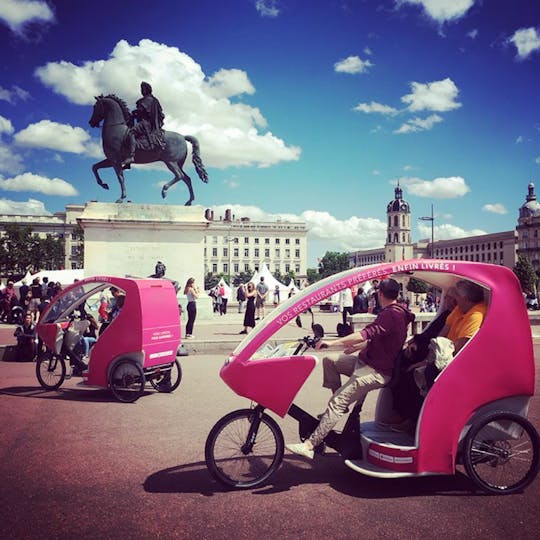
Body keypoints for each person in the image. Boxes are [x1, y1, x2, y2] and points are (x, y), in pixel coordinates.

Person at [286, 278, 415, 459]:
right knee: (330, 361)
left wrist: (333, 343)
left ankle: (309, 445)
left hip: (377, 371)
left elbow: (365, 333)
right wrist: (357, 347)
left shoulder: (391, 314)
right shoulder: (397, 312)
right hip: (367, 362)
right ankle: (341, 407)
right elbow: (380, 338)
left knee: (336, 401)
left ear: (380, 294)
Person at [121, 81, 165, 168]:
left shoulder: (146, 100)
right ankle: (128, 162)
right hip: (151, 123)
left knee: (131, 133)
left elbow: (142, 111)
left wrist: (134, 113)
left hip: (145, 123)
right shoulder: (155, 100)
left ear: (147, 90)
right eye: (141, 89)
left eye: (143, 89)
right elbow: (160, 113)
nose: (141, 91)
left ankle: (131, 156)